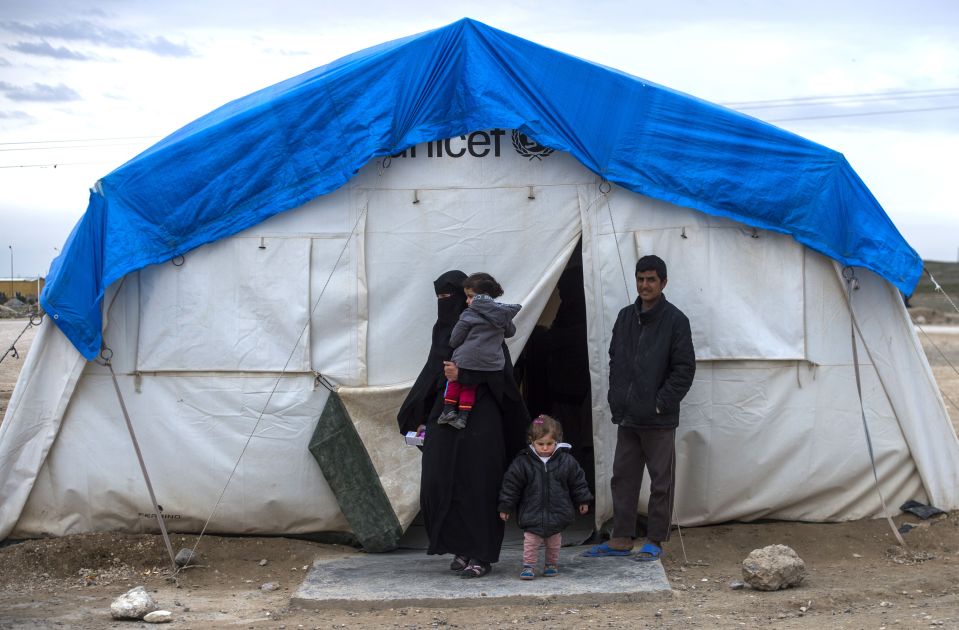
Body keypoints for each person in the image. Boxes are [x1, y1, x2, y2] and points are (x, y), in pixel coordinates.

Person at [397, 270, 528, 579]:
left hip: (483, 419)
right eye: (441, 299)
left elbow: (504, 380)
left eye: (451, 298)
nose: (447, 305)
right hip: (446, 418)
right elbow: (432, 373)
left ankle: (481, 553)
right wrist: (415, 412)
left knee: (479, 485)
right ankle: (458, 547)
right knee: (438, 480)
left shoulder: (488, 329)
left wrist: (466, 376)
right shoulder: (444, 330)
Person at [583, 255, 696, 561]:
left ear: (663, 282)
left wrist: (661, 403)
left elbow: (684, 370)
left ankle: (656, 540)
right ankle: (621, 538)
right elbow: (615, 359)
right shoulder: (624, 317)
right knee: (623, 478)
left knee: (661, 481)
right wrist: (617, 397)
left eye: (651, 279)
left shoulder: (675, 320)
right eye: (640, 278)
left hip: (658, 419)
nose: (645, 285)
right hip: (628, 415)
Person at [498, 415, 593, 580]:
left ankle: (551, 564)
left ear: (558, 440)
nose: (545, 448)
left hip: (557, 511)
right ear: (531, 441)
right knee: (530, 542)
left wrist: (583, 500)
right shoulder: (523, 462)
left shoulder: (566, 461)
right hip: (532, 511)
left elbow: (578, 482)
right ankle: (528, 566)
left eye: (549, 444)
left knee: (554, 543)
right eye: (540, 444)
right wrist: (506, 506)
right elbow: (511, 485)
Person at [438, 273, 522, 430]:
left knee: (455, 383)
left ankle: (448, 410)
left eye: (470, 297)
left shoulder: (469, 314)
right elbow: (510, 332)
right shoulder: (503, 314)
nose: (467, 301)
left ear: (482, 297)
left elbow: (454, 340)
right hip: (492, 368)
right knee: (470, 387)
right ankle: (463, 416)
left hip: (464, 363)